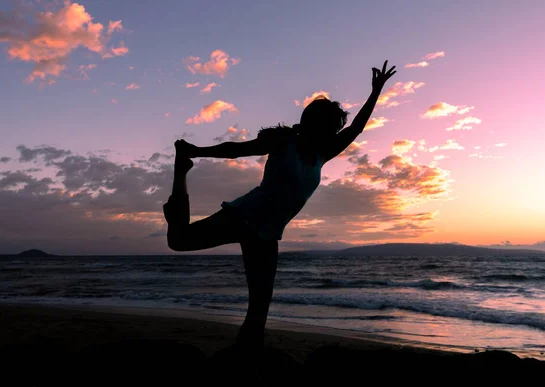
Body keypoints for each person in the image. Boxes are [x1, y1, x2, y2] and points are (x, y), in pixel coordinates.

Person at [163, 60, 397, 354]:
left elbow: (357, 128)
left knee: (259, 308)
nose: (334, 133)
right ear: (314, 124)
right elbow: (238, 150)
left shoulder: (322, 154)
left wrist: (376, 91)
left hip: (268, 234)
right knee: (178, 240)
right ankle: (181, 171)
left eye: (335, 129)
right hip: (244, 215)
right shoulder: (283, 141)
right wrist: (197, 152)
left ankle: (247, 364)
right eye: (330, 127)